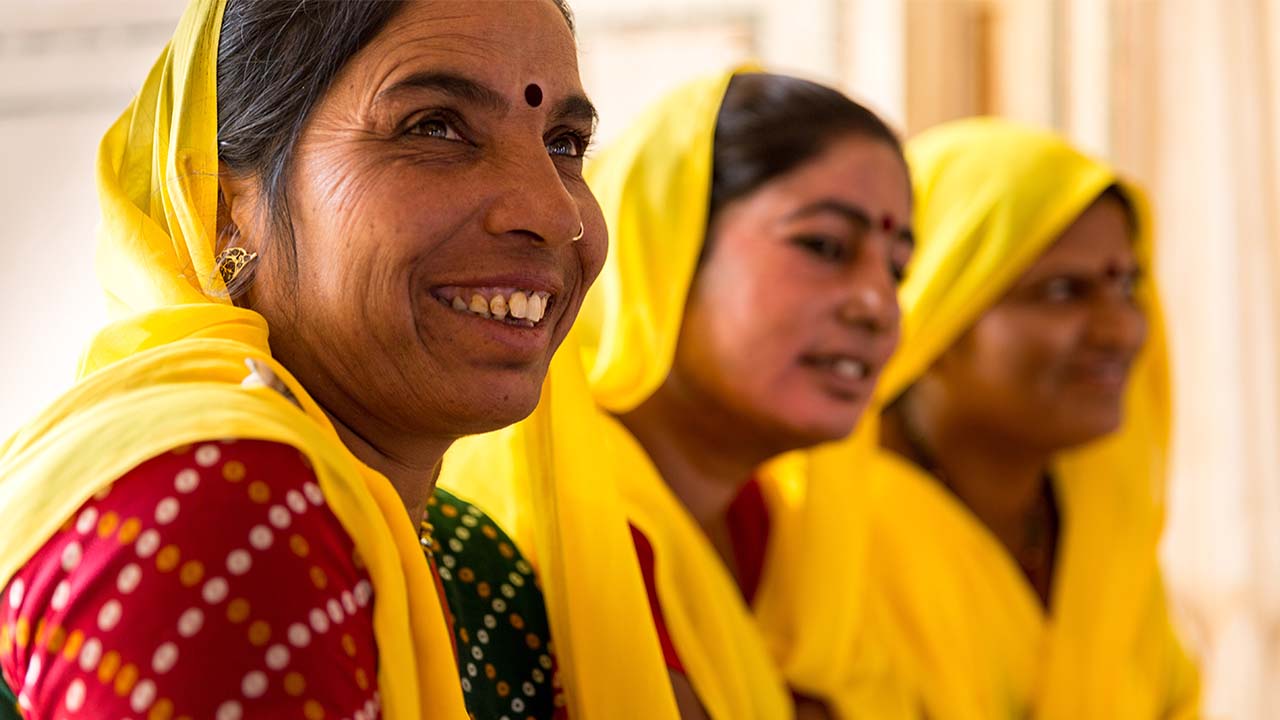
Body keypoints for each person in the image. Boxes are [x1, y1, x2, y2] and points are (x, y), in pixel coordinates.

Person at [0, 0, 605, 717]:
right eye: (434, 127)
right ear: (222, 210)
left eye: (564, 144)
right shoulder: (220, 504)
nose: (554, 214)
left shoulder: (471, 562)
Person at [441, 67, 915, 719]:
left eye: (898, 270)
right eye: (825, 246)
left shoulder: (770, 531)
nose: (879, 306)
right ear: (663, 246)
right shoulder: (550, 503)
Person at [853, 117, 1201, 718]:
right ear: (934, 307)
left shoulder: (1101, 522)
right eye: (1063, 291)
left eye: (1127, 285)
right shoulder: (839, 539)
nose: (1121, 330)